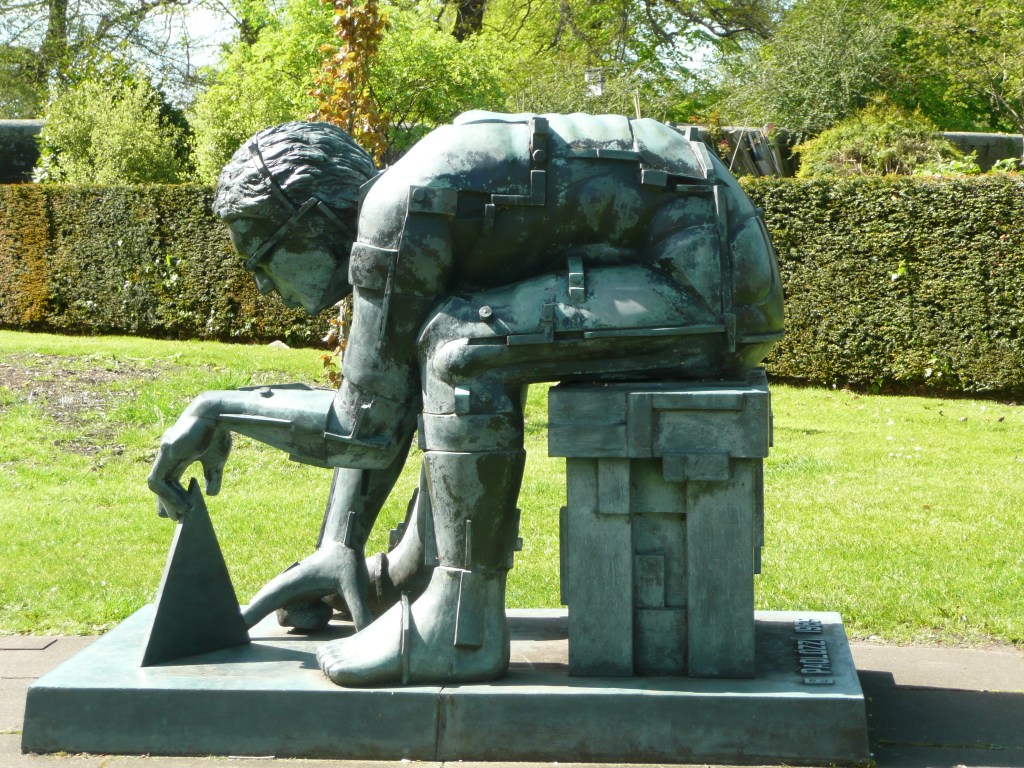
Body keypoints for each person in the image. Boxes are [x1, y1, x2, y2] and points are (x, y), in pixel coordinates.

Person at [148, 112, 784, 687]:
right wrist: (340, 543)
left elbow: (361, 427)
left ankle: (460, 629)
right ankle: (418, 573)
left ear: (311, 219)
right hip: (712, 261)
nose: (263, 286)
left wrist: (215, 409)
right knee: (453, 340)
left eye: (263, 258)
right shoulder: (415, 188)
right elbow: (384, 395)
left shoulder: (399, 210)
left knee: (462, 350)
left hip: (710, 288)